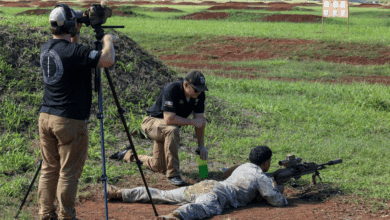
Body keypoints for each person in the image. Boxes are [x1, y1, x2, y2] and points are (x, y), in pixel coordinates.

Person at [38, 4, 118, 220]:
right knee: (68, 171)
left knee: (49, 168)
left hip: (46, 117)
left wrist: (76, 31)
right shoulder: (76, 52)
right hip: (69, 120)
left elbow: (72, 52)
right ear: (71, 25)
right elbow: (107, 60)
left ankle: (45, 214)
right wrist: (108, 40)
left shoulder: (47, 48)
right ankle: (66, 215)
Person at [106, 146, 288, 220]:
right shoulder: (260, 176)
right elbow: (274, 199)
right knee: (200, 209)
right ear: (266, 163)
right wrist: (280, 186)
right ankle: (173, 217)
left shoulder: (243, 167)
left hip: (206, 184)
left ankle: (120, 193)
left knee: (163, 194)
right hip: (218, 194)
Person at [110, 70, 209, 186]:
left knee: (159, 166)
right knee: (173, 129)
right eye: (196, 89)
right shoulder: (172, 89)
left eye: (201, 89)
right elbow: (169, 119)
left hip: (166, 129)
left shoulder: (199, 95)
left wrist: (201, 145)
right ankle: (173, 175)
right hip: (151, 123)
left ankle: (127, 154)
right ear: (186, 84)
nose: (199, 92)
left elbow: (200, 122)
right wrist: (193, 122)